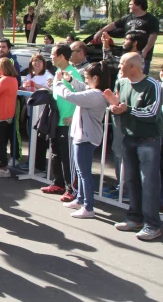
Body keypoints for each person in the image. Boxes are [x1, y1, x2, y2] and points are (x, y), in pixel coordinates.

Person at [104, 53, 162, 240]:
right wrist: (114, 107)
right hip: (128, 137)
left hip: (148, 140)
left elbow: (153, 113)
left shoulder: (153, 85)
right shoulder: (121, 82)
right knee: (132, 180)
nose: (119, 66)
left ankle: (152, 224)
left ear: (133, 67)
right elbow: (118, 104)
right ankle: (134, 218)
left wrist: (127, 109)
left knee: (149, 183)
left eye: (122, 63)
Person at [53, 62, 109, 219]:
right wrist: (70, 80)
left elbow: (70, 96)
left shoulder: (95, 95)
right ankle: (80, 199)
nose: (85, 80)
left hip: (86, 137)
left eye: (86, 77)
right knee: (80, 171)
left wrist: (58, 83)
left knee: (84, 173)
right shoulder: (94, 91)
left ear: (95, 78)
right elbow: (81, 88)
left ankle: (88, 206)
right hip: (82, 135)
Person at [41, 44, 83, 201]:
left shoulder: (73, 73)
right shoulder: (58, 72)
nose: (50, 57)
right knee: (56, 154)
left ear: (61, 56)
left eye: (53, 54)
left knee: (67, 157)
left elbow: (82, 95)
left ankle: (71, 189)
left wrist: (75, 116)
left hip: (67, 123)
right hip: (56, 121)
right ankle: (57, 183)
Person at [94, 0, 159, 74]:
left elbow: (153, 37)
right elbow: (113, 25)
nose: (129, 6)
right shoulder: (127, 17)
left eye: (131, 4)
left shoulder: (151, 19)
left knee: (140, 76)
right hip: (126, 53)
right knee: (124, 75)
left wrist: (145, 50)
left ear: (139, 5)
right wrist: (100, 31)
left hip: (142, 55)